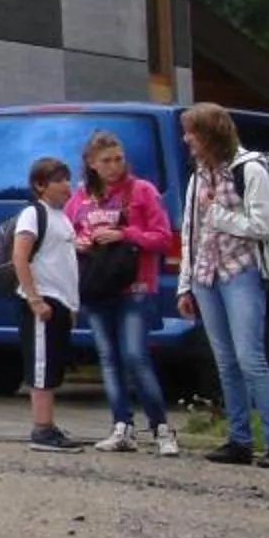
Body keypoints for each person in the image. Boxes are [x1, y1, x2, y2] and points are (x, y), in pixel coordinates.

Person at [176, 104, 269, 470]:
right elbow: (189, 231)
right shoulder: (198, 175)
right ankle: (239, 440)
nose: (186, 139)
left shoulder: (251, 169)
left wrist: (220, 215)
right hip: (205, 275)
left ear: (210, 135)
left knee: (250, 358)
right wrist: (185, 284)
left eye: (192, 132)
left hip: (241, 272)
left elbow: (263, 226)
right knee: (225, 361)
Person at [70, 129, 179, 455]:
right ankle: (122, 425)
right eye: (106, 161)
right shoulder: (81, 199)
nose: (115, 166)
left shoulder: (142, 191)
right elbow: (68, 233)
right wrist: (79, 241)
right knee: (108, 357)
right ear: (91, 163)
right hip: (97, 285)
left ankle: (161, 427)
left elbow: (162, 237)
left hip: (136, 285)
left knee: (135, 354)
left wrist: (125, 234)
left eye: (119, 159)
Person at [10, 155, 80, 451]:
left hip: (61, 302)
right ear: (40, 185)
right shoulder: (32, 214)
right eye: (59, 180)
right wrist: (36, 299)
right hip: (43, 302)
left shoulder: (62, 218)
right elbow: (20, 256)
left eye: (67, 179)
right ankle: (41, 428)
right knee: (41, 366)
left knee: (53, 364)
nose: (67, 185)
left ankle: (49, 424)